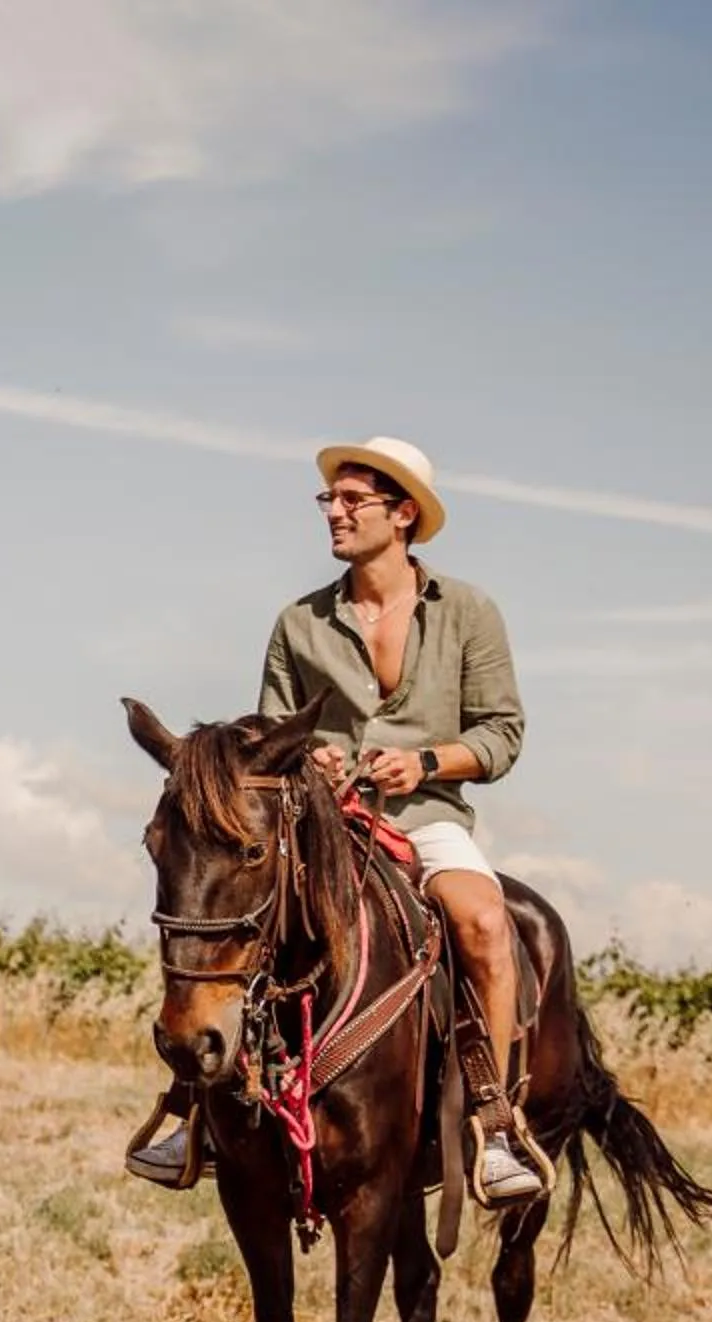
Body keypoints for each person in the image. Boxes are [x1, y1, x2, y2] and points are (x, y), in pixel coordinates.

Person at [128, 435, 543, 1202]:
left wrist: (424, 762)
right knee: (231, 908)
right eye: (331, 499)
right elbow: (268, 734)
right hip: (321, 821)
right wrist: (307, 760)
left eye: (354, 500)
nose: (335, 513)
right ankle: (194, 1110)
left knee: (484, 925)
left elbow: (502, 734)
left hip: (426, 815)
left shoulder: (470, 613)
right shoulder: (300, 621)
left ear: (404, 514)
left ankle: (496, 1120)